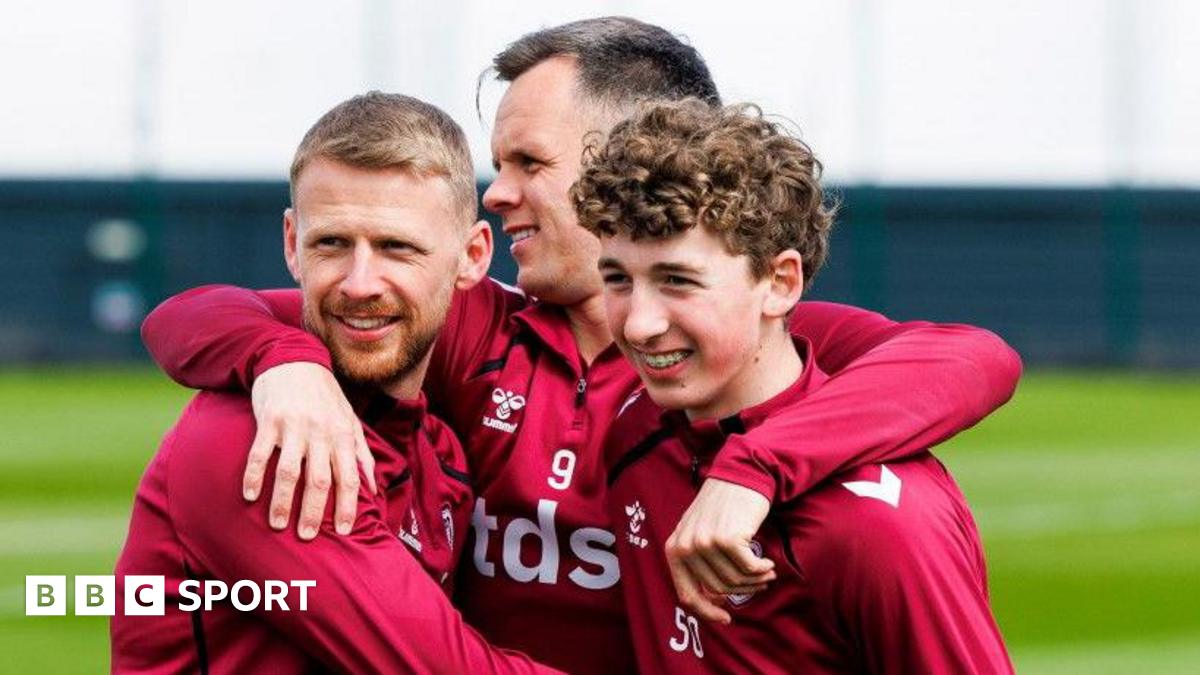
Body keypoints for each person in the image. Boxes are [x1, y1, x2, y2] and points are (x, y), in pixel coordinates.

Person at [140, 17, 1021, 674]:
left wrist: (754, 466)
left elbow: (973, 358)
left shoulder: (740, 346)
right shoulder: (469, 322)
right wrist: (282, 361)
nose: (498, 192)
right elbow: (200, 312)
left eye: (527, 162)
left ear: (629, 153)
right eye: (496, 166)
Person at [112, 92, 559, 674]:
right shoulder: (261, 444)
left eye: (397, 248)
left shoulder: (438, 449)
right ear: (292, 243)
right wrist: (282, 356)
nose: (360, 283)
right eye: (332, 243)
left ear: (471, 256)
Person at [578, 98, 1013, 673]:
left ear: (781, 283)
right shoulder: (638, 429)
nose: (638, 324)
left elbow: (976, 356)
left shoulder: (879, 527)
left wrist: (751, 467)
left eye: (678, 281)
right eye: (618, 280)